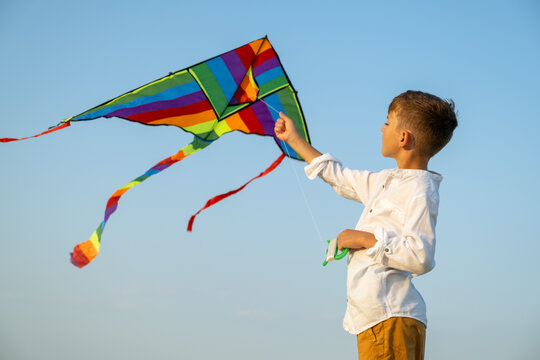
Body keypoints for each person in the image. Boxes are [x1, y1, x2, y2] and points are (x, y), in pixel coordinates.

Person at [274, 90, 458, 360]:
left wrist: (364, 239)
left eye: (387, 122)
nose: (381, 128)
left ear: (403, 137)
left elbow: (421, 257)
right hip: (380, 321)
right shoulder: (385, 181)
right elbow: (338, 175)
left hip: (389, 318)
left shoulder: (420, 188)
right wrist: (294, 140)